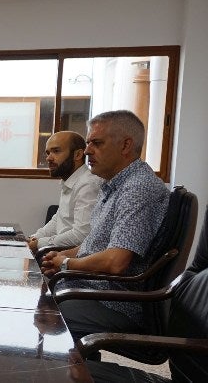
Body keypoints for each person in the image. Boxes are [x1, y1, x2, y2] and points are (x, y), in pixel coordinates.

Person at [40, 110, 169, 341]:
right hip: (92, 288)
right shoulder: (112, 186)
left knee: (42, 313)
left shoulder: (138, 189)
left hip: (115, 302)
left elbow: (116, 262)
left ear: (126, 146)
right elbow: (94, 244)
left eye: (96, 143)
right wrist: (57, 257)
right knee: (33, 292)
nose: (87, 151)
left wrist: (67, 262)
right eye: (88, 143)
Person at [28, 131, 102, 253]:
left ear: (78, 155)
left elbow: (81, 236)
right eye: (48, 153)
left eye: (56, 151)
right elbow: (58, 220)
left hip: (72, 258)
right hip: (59, 253)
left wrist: (39, 243)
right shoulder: (70, 181)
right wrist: (33, 238)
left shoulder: (88, 184)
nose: (48, 158)